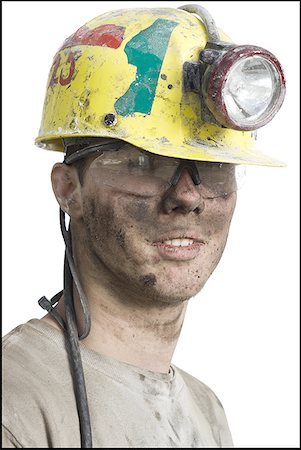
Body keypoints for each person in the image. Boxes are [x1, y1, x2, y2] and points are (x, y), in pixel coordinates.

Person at [2, 3, 286, 448]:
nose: (188, 196)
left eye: (211, 167)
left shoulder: (206, 412)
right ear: (68, 189)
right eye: (143, 163)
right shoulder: (16, 405)